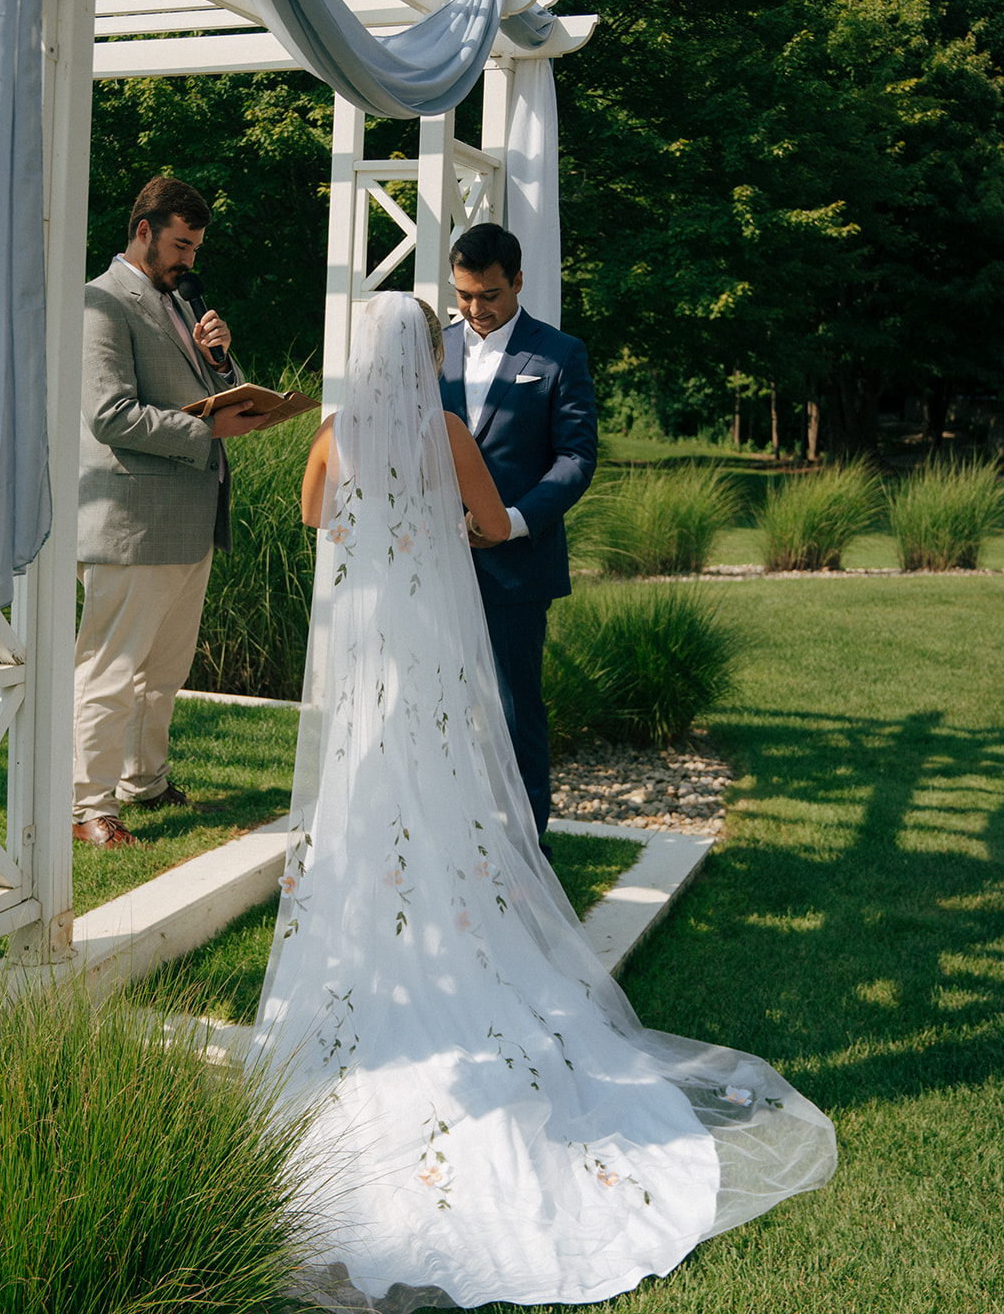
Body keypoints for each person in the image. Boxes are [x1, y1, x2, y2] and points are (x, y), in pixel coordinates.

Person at [252, 292, 835, 1312]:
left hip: (365, 647)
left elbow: (314, 517)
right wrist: (434, 521)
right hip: (430, 643)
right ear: (421, 351)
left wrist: (373, 522)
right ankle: (453, 929)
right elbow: (484, 521)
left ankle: (383, 946)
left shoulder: (333, 432)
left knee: (366, 793)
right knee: (447, 789)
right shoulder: (440, 431)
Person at [72, 176, 263, 848]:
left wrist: (222, 353)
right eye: (181, 244)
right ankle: (86, 807)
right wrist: (208, 433)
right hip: (131, 519)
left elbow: (215, 394)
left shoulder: (182, 302)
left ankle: (142, 781)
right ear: (144, 230)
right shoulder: (101, 299)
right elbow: (106, 414)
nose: (189, 259)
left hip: (188, 517)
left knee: (164, 671)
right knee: (111, 669)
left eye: (196, 246)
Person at [438, 222, 596, 844]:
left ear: (519, 282)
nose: (476, 310)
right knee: (439, 703)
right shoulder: (432, 350)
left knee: (514, 712)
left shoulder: (560, 353)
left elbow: (576, 458)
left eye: (490, 296)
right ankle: (450, 838)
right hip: (435, 562)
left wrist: (513, 523)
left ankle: (527, 851)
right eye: (464, 295)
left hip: (517, 566)